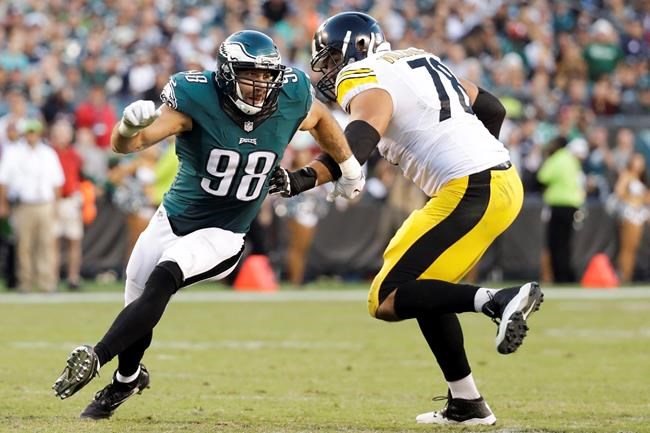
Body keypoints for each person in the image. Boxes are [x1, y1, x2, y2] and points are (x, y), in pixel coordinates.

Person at [52, 30, 365, 419]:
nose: (260, 86)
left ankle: (96, 357)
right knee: (136, 299)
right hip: (172, 218)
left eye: (268, 76)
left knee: (164, 278)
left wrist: (349, 167)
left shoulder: (292, 94)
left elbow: (320, 120)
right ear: (227, 73)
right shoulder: (195, 99)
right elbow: (128, 146)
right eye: (251, 74)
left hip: (224, 233)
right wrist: (127, 127)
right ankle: (127, 379)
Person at [270, 12, 543, 425]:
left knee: (386, 298)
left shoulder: (359, 74)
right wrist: (475, 154)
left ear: (353, 50)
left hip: (472, 187)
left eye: (328, 59)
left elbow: (362, 136)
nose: (326, 70)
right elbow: (492, 107)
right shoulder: (420, 58)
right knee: (424, 289)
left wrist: (302, 179)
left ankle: (496, 300)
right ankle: (466, 402)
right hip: (500, 182)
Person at [613, 153, 649, 282]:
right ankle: (623, 275)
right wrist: (634, 200)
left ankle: (627, 275)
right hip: (630, 214)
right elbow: (619, 192)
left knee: (633, 248)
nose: (640, 164)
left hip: (640, 215)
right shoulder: (626, 175)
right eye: (637, 161)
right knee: (627, 248)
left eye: (641, 162)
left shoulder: (640, 178)